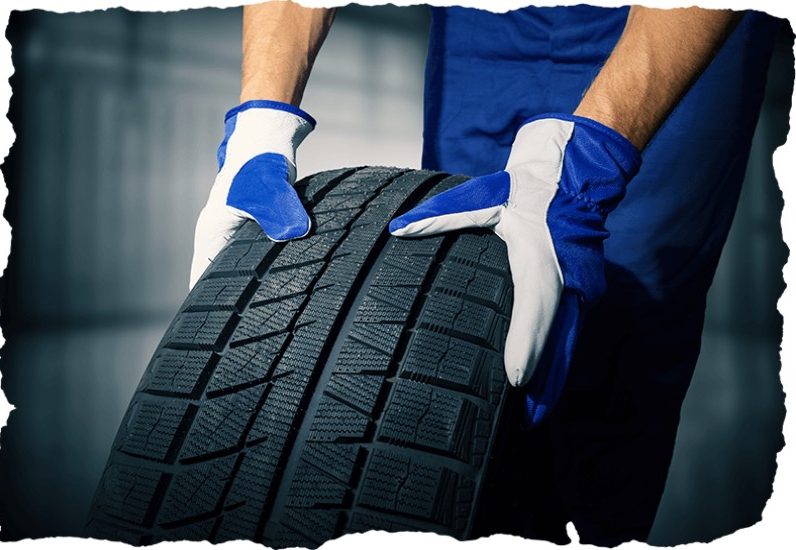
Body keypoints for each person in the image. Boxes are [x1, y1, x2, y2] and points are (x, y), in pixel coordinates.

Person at [189, 1, 780, 546]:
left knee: (615, 328)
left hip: (662, 22)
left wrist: (587, 164)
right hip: (486, 25)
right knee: (457, 307)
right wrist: (259, 124)